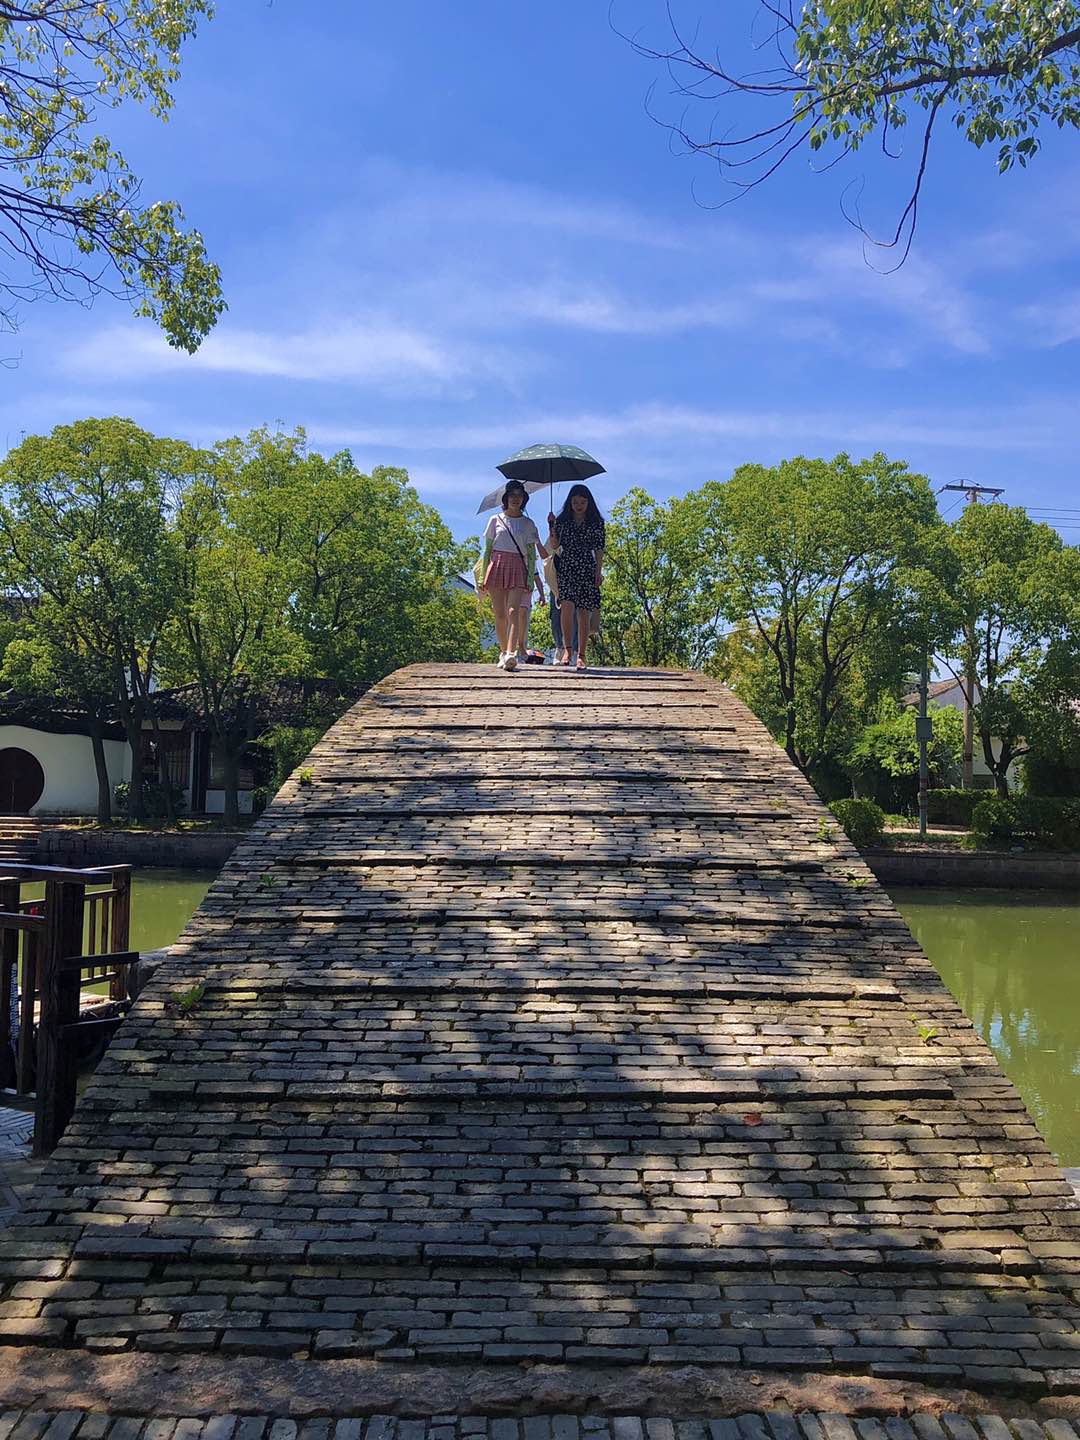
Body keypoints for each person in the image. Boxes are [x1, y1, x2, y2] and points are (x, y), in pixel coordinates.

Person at [479, 481, 545, 671]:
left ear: (524, 499)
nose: (516, 499)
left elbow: (531, 554)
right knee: (500, 613)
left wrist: (530, 579)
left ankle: (511, 652)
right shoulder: (495, 520)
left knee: (513, 611)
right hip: (497, 564)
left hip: (518, 566)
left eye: (519, 495)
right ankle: (503, 652)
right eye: (512, 495)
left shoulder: (528, 524)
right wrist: (483, 576)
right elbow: (487, 550)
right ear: (506, 498)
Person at [549, 484, 605, 672]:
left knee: (583, 611)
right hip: (567, 566)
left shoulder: (596, 522)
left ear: (588, 502)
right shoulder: (562, 520)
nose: (579, 505)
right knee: (566, 606)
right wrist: (551, 526)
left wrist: (598, 571)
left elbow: (599, 548)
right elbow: (554, 545)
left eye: (582, 502)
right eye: (575, 502)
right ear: (570, 503)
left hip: (587, 567)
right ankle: (567, 650)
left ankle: (581, 655)